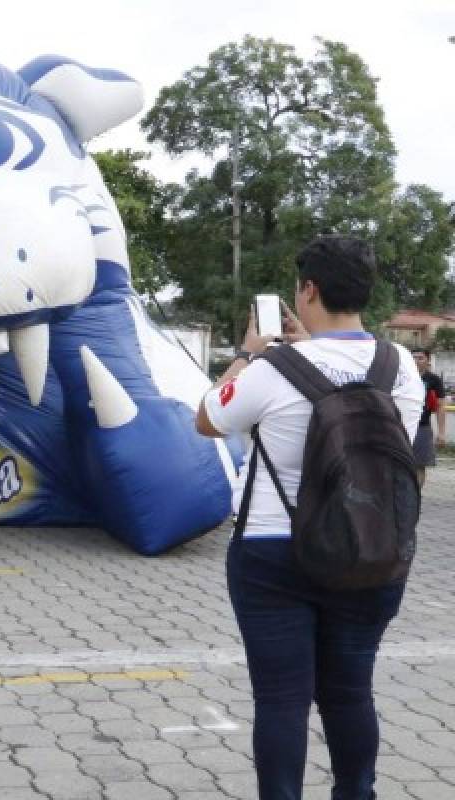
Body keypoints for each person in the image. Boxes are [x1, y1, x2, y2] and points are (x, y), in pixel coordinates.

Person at [195, 235, 423, 800]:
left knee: (281, 700)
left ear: (309, 290)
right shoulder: (401, 370)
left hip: (274, 553)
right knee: (350, 693)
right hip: (372, 550)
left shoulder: (272, 369)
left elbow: (207, 418)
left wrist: (250, 353)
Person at [411, 347, 447, 486]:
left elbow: (440, 406)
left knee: (419, 466)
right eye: (414, 357)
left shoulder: (434, 380)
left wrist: (442, 433)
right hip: (401, 427)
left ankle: (415, 498)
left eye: (420, 358)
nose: (416, 361)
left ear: (428, 360)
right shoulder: (401, 377)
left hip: (422, 427)